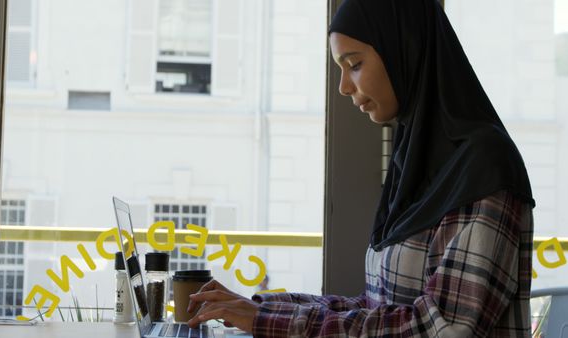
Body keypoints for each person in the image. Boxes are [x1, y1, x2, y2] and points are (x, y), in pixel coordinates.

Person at [187, 0, 535, 336]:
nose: (344, 86)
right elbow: (374, 309)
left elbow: (443, 328)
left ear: (405, 49)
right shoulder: (413, 165)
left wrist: (265, 321)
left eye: (354, 64)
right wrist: (261, 310)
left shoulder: (486, 167)